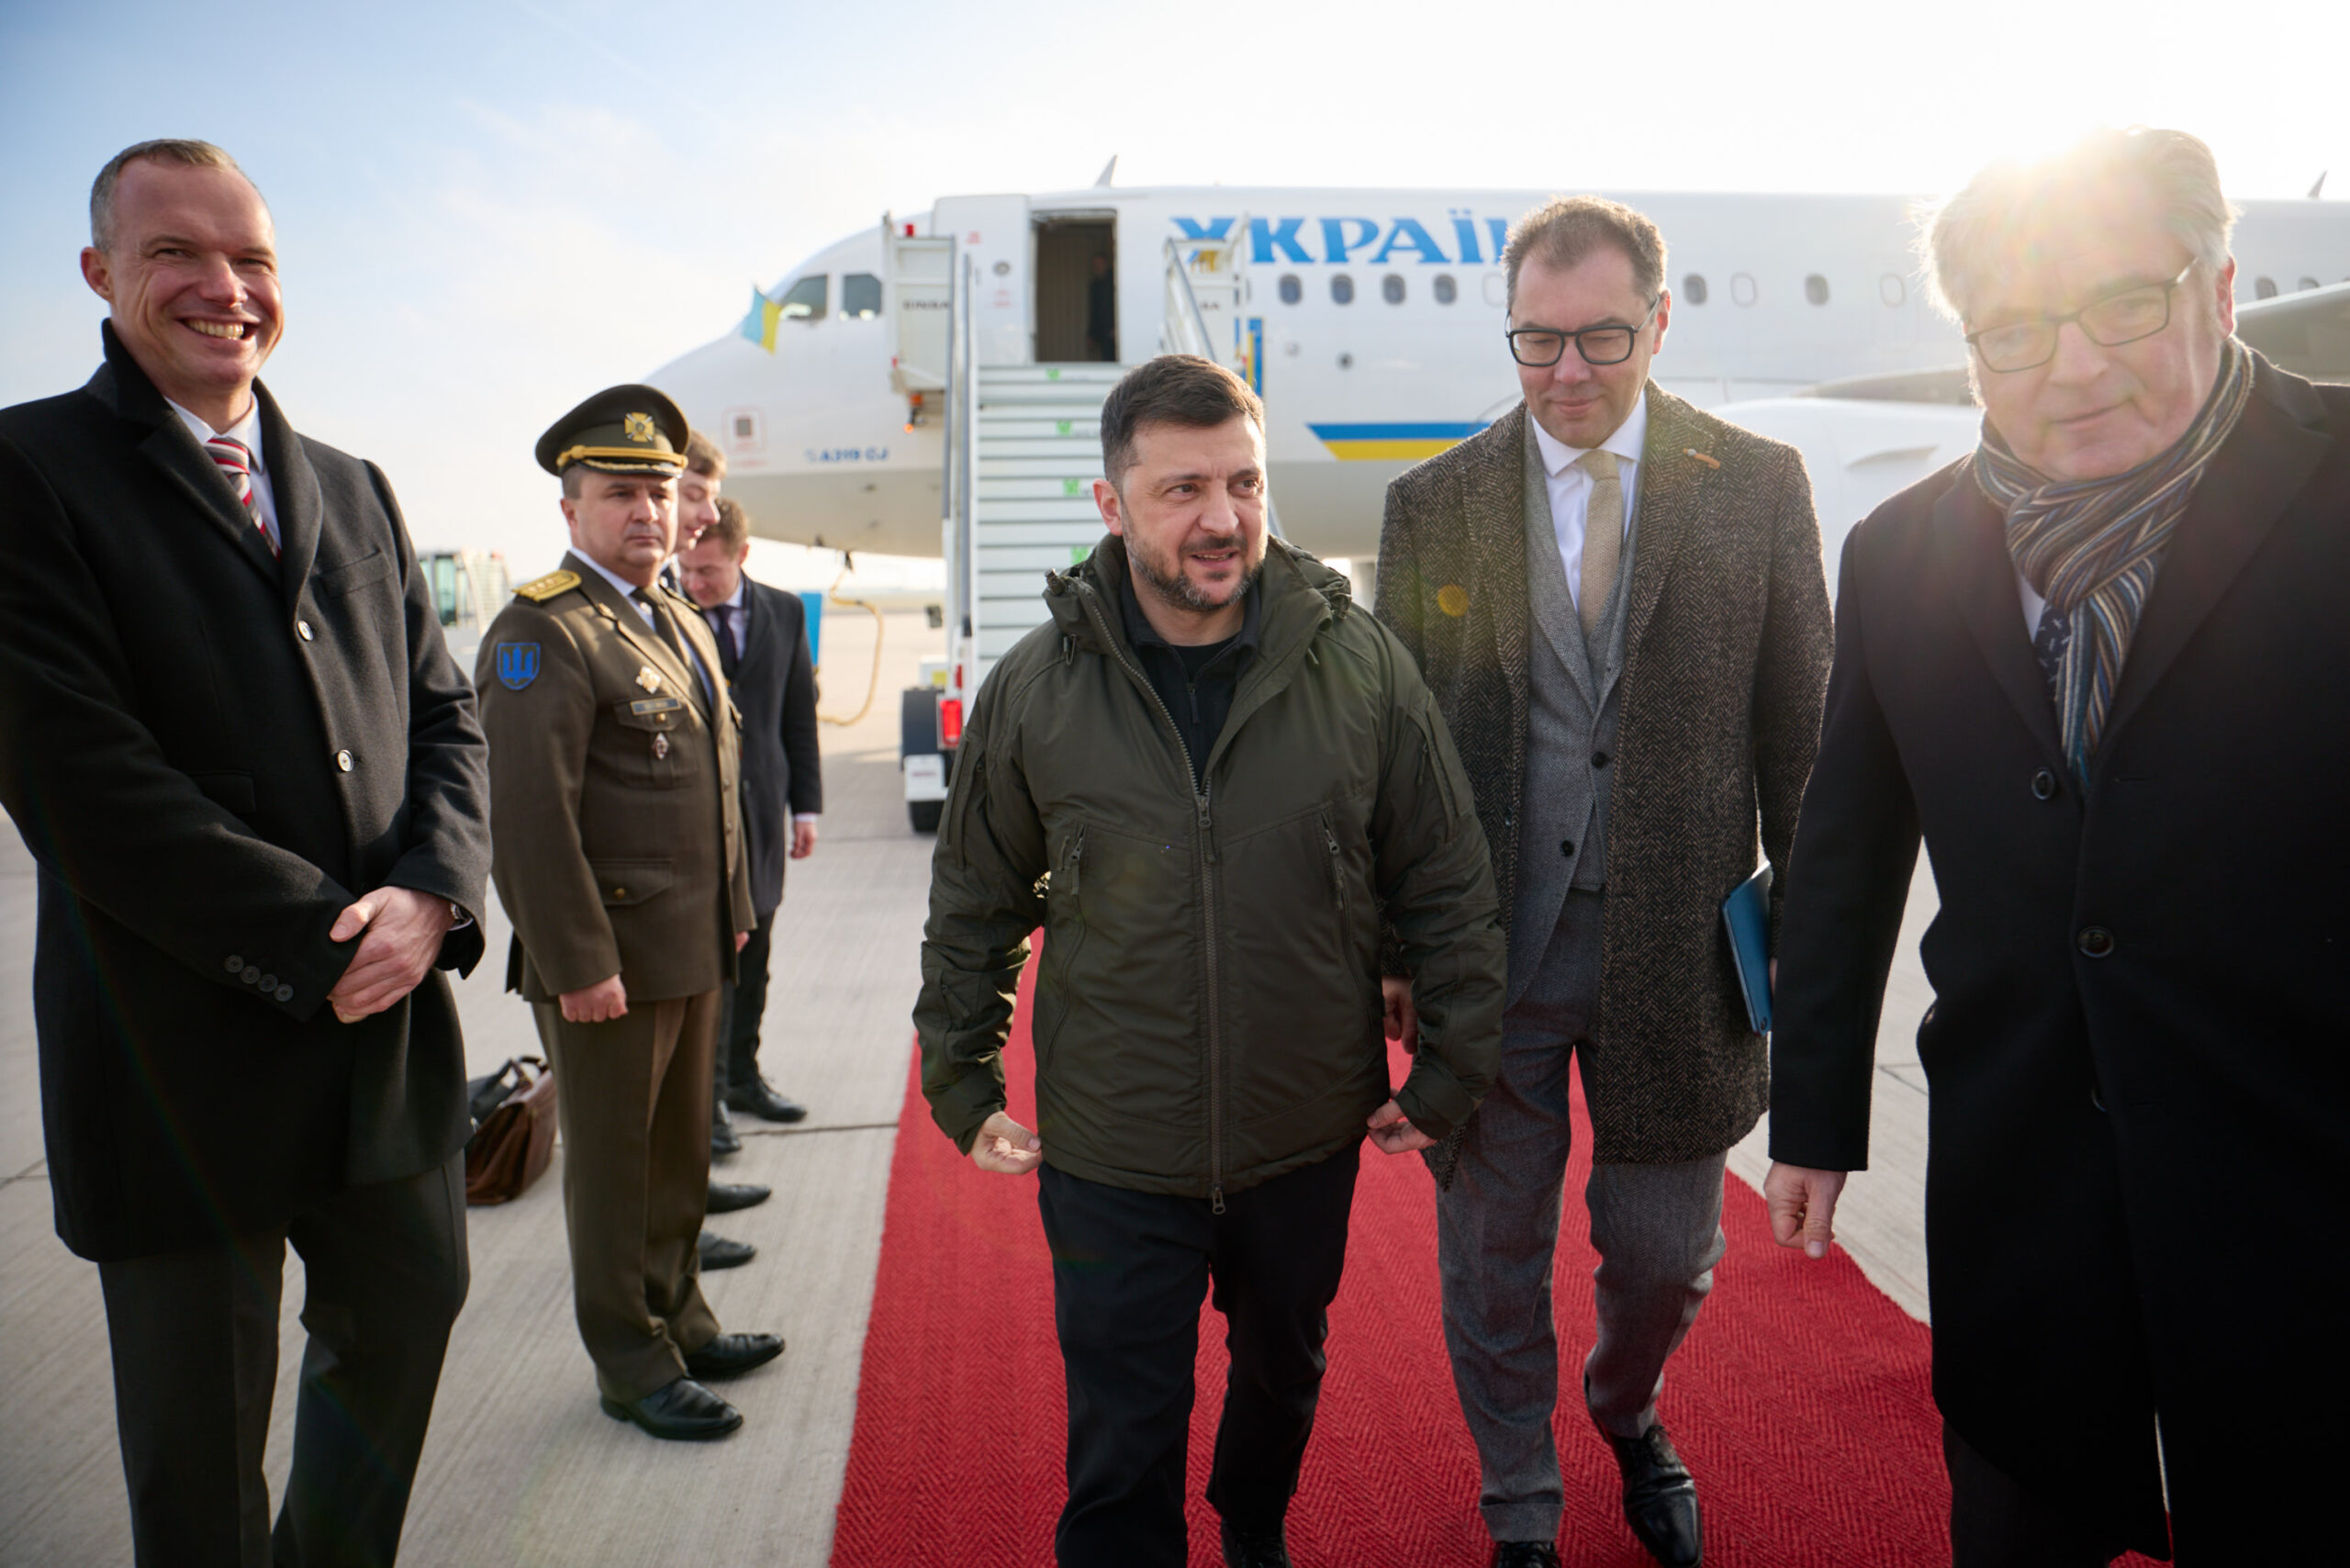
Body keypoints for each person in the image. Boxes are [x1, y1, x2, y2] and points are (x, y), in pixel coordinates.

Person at [1765, 127, 2350, 1567]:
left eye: (2126, 306)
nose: (2073, 368)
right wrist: (1819, 1112)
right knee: (2027, 1500)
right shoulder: (1901, 551)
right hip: (2022, 1162)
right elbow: (1845, 847)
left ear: (2218, 286)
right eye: (2017, 328)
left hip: (2302, 1168)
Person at [916, 353, 1505, 1568]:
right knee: (1122, 1447)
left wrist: (1449, 1069)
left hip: (1301, 1134)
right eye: (1182, 488)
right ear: (1111, 503)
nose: (1223, 518)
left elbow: (1442, 874)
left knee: (1284, 1378)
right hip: (1115, 1148)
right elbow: (973, 901)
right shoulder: (1035, 692)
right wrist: (962, 1081)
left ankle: (1252, 1527)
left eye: (1241, 481)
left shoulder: (1362, 665)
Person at [0, 139, 491, 1566]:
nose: (225, 287)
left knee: (404, 1326)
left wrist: (436, 889)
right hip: (176, 1056)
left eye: (253, 257)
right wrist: (322, 936)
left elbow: (445, 717)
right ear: (101, 275)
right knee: (200, 1458)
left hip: (383, 1044)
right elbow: (77, 779)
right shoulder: (28, 472)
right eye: (177, 255)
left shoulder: (353, 484)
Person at [1376, 196, 1832, 1568]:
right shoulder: (1434, 504)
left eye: (1601, 338)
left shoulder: (1756, 486)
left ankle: (1625, 1413)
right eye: (1537, 341)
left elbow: (1799, 737)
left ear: (1661, 322)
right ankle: (1522, 1501)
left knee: (1660, 1264)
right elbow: (1400, 758)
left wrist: (1815, 948)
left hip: (1680, 965)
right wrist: (1395, 948)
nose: (1567, 372)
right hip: (1487, 962)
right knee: (1489, 1261)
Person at [475, 386, 780, 1442]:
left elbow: (711, 788)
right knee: (612, 1176)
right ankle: (630, 1362)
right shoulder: (544, 630)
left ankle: (684, 1318)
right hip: (604, 960)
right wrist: (573, 960)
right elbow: (527, 816)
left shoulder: (678, 617)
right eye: (619, 494)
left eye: (657, 491)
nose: (647, 511)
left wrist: (734, 912)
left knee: (676, 1162)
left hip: (690, 946)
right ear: (571, 510)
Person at [677, 494, 823, 1139]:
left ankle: (742, 1077)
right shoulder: (667, 613)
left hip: (763, 811)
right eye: (686, 569)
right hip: (694, 819)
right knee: (709, 965)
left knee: (755, 954)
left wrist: (807, 807)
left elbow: (798, 715)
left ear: (742, 555)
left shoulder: (785, 612)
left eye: (707, 571)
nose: (694, 583)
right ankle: (704, 1105)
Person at [1086, 249, 1118, 362]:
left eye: (1100, 264)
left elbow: (1115, 306)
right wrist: (1092, 334)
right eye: (1095, 265)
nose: (1098, 267)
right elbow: (1094, 311)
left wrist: (1117, 326)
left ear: (1106, 264)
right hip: (1104, 332)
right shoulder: (1096, 285)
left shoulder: (1115, 282)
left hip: (1114, 331)